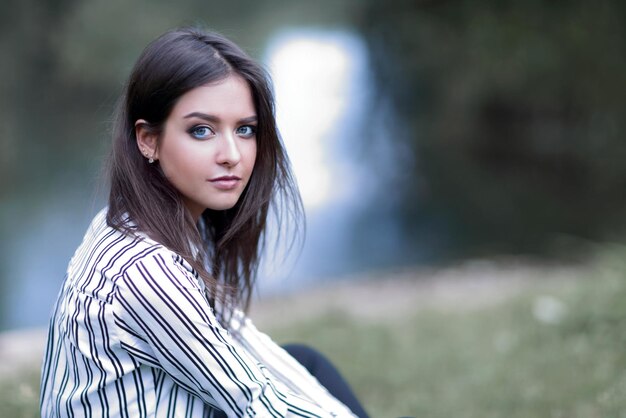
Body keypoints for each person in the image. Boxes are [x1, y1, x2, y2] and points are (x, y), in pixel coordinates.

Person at [40, 27, 369, 418]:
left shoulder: (139, 220)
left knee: (303, 362)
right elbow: (253, 401)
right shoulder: (148, 271)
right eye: (202, 130)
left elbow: (240, 342)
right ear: (148, 140)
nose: (232, 154)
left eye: (244, 129)